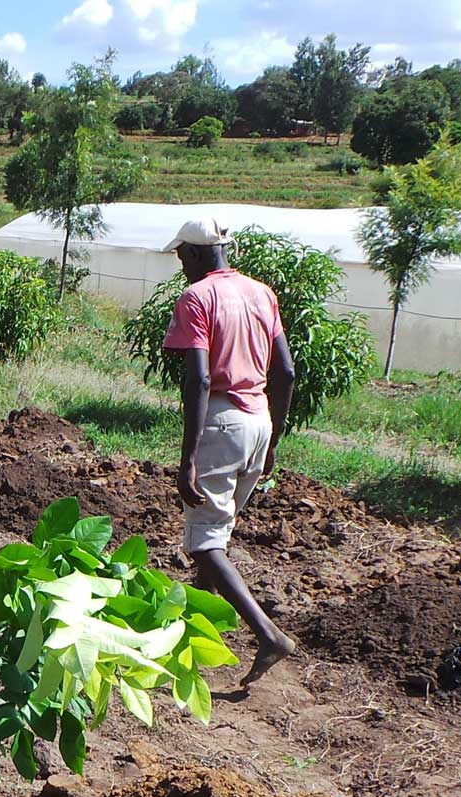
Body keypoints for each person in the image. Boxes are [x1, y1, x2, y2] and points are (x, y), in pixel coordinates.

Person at [162, 218, 299, 685]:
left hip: (221, 422)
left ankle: (268, 634)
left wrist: (188, 459)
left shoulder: (196, 298)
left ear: (198, 254)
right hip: (259, 420)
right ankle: (196, 631)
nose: (181, 264)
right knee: (216, 535)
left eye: (182, 255)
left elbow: (198, 378)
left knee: (204, 543)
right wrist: (274, 436)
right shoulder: (262, 293)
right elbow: (286, 372)